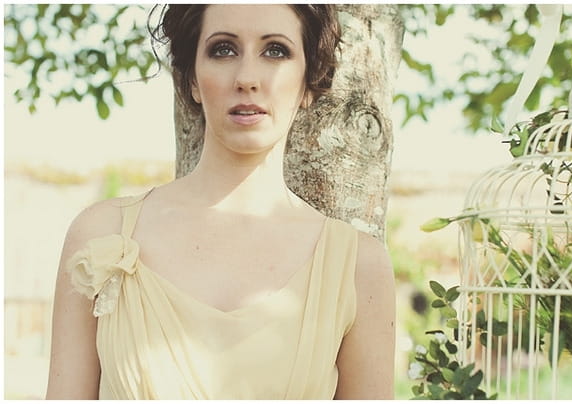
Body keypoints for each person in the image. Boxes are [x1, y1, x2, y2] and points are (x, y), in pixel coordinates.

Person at [46, 4, 396, 399]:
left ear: (308, 83)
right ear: (192, 80)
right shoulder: (100, 235)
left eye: (276, 51)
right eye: (224, 49)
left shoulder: (357, 266)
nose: (247, 78)